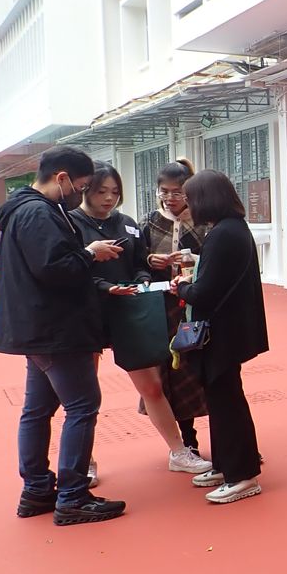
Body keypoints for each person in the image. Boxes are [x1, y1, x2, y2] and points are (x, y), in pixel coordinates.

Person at [0, 146, 127, 525]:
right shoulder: (39, 212)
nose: (81, 194)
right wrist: (90, 254)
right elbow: (55, 268)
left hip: (39, 328)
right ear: (61, 177)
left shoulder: (25, 210)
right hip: (56, 329)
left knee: (38, 410)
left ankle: (37, 489)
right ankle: (72, 495)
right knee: (81, 406)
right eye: (81, 187)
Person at [71, 163, 213, 477]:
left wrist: (142, 279)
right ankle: (84, 462)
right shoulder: (70, 224)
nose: (109, 198)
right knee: (84, 395)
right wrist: (105, 285)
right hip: (86, 316)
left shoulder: (127, 224)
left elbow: (139, 263)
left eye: (115, 192)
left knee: (152, 386)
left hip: (129, 311)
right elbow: (67, 270)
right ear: (86, 190)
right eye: (102, 191)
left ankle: (180, 452)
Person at [171, 170, 268, 504]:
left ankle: (241, 474)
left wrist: (181, 287)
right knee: (224, 400)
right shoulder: (232, 229)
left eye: (190, 198)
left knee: (226, 402)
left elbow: (205, 292)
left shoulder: (222, 234)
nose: (188, 205)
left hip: (221, 333)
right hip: (231, 330)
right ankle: (229, 465)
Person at [141, 159, 209, 456]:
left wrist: (193, 262)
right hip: (162, 307)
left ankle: (228, 437)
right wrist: (149, 261)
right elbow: (137, 260)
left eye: (177, 192)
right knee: (172, 370)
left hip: (195, 302)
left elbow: (213, 259)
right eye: (164, 191)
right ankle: (187, 439)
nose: (170, 197)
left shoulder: (203, 221)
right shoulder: (149, 221)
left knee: (203, 368)